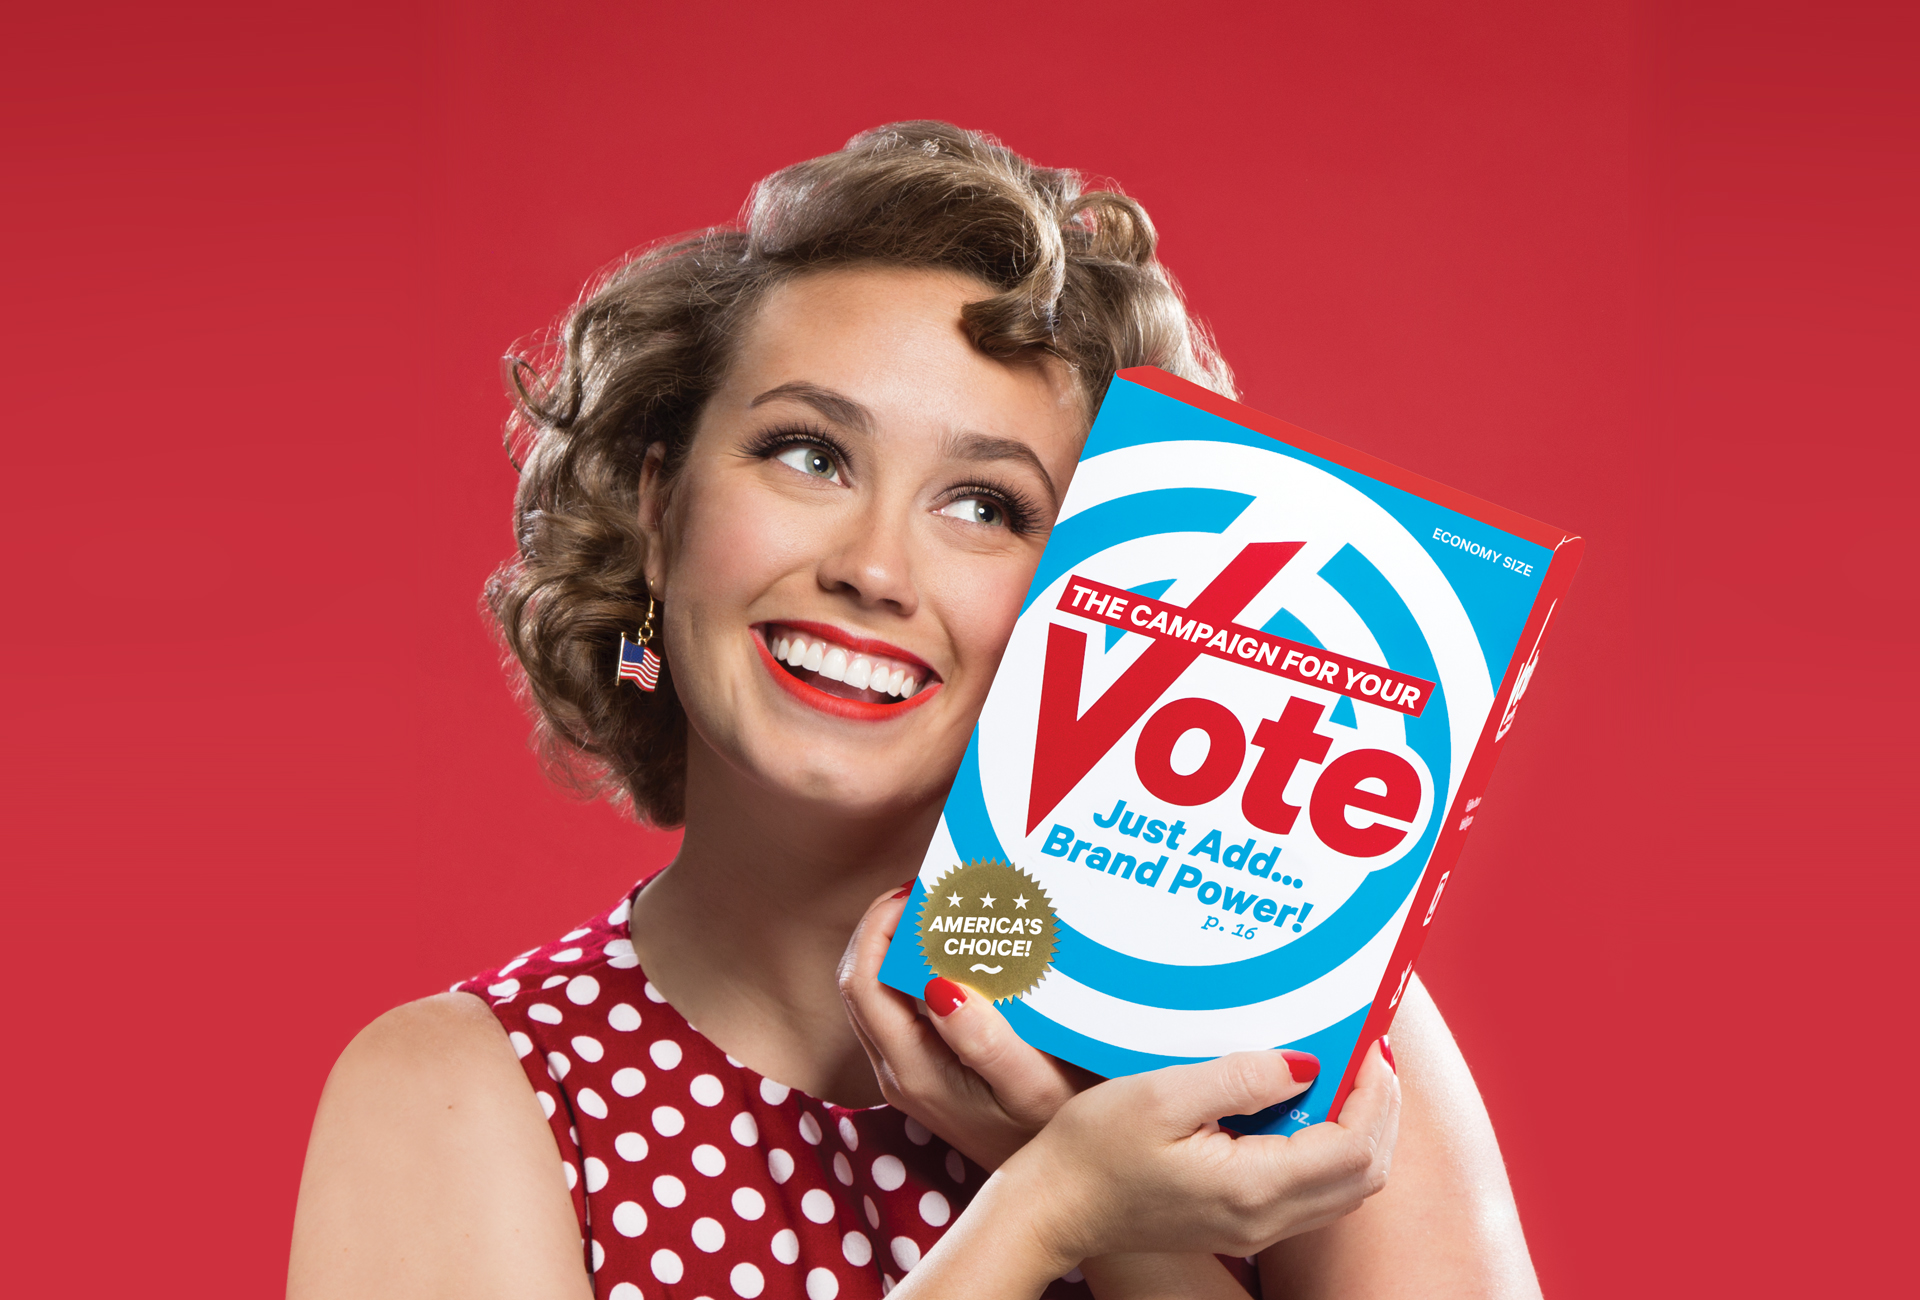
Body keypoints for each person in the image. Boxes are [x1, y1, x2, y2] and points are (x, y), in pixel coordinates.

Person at [288, 122, 1540, 1300]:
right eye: (807, 453)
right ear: (661, 515)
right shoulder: (462, 1091)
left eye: (986, 506)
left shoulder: (1288, 1011)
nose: (874, 569)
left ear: (1097, 594)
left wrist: (1130, 1230)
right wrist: (1041, 1213)